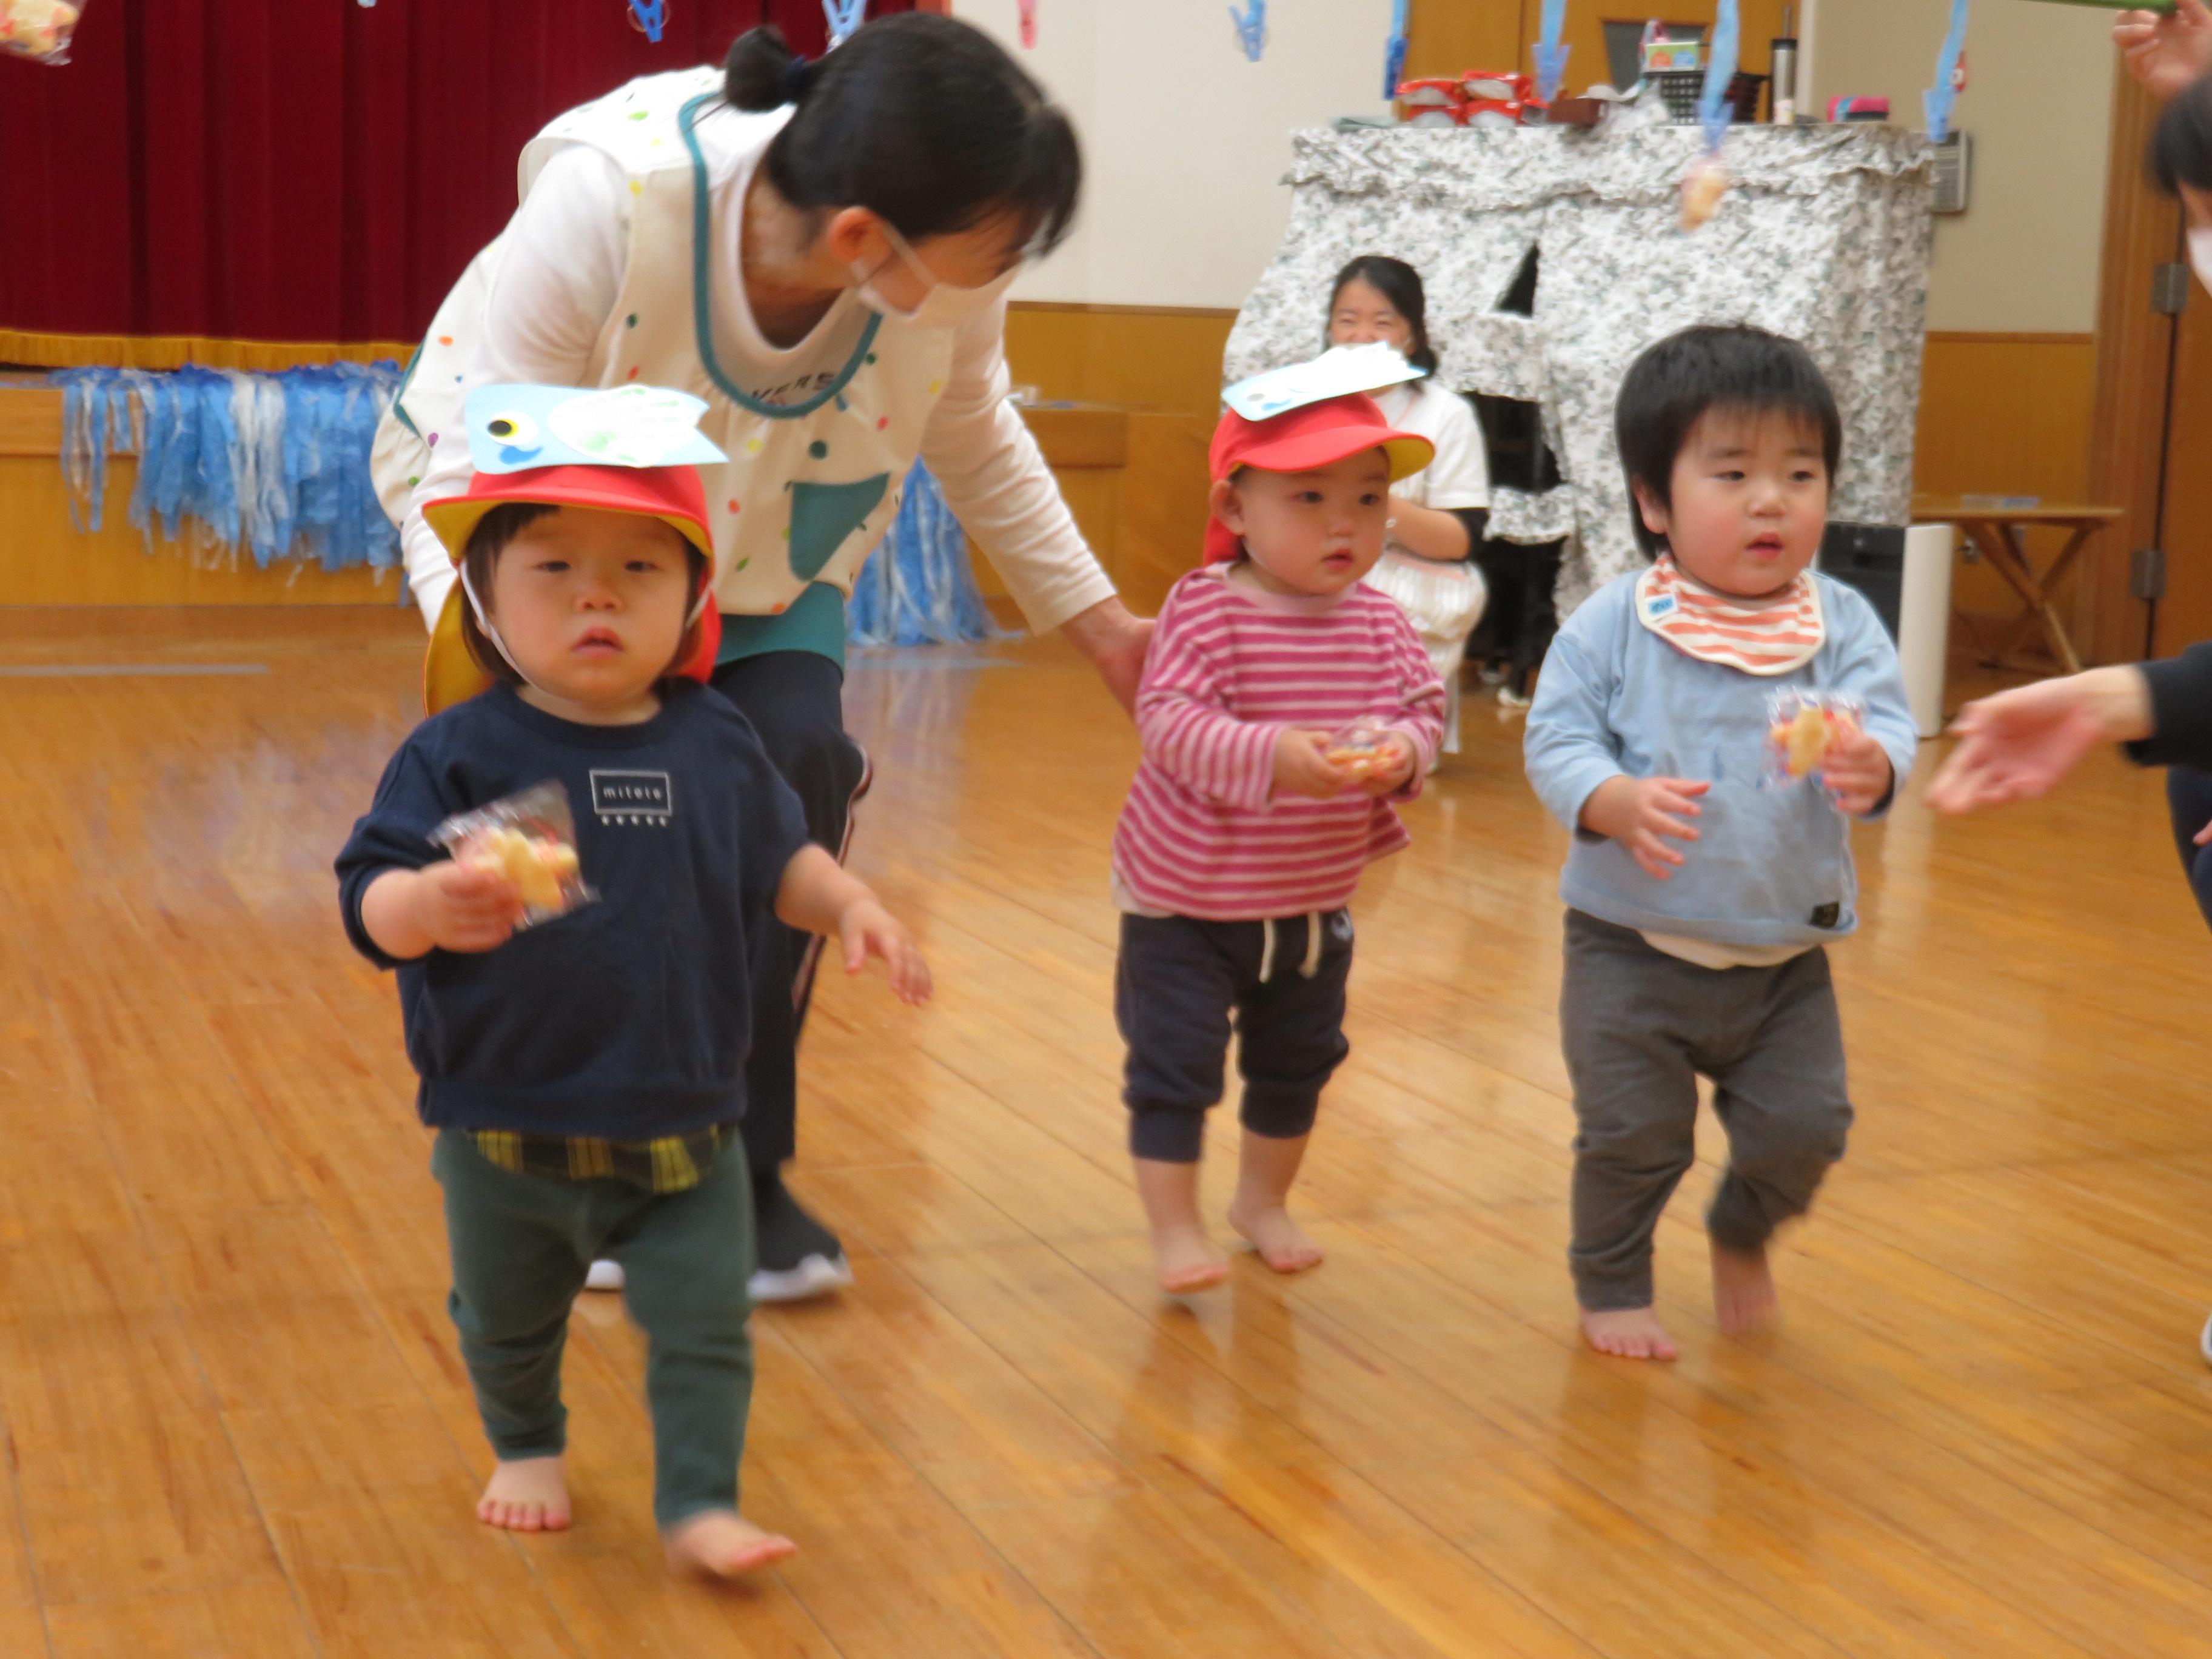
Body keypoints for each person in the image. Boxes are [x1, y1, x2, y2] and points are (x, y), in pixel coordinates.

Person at [372, 14, 1150, 1303]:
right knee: (587, 821)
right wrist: (510, 706)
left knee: (787, 774)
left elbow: (977, 435)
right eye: (996, 250)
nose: (1004, 270)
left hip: (770, 537)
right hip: (544, 541)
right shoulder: (613, 206)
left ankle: (733, 1159)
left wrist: (1106, 625)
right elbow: (479, 462)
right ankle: (561, 1151)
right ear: (861, 239)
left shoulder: (943, 261)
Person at [336, 397, 931, 1576]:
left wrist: (852, 903)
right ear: (489, 601)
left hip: (690, 1117)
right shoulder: (458, 752)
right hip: (508, 1118)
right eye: (553, 567)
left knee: (707, 1324)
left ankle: (702, 1501)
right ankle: (527, 1443)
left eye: (639, 569)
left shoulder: (714, 740)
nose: (596, 597)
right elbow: (368, 899)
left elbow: (781, 861)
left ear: (695, 600)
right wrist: (425, 910)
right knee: (508, 1319)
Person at [1523, 326, 1917, 1361]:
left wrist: (1873, 767)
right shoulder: (1615, 623)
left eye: (1800, 472)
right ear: (1654, 502)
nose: (1770, 500)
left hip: (1783, 960)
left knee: (1808, 1127)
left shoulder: (1838, 623)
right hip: (1627, 950)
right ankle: (1610, 1284)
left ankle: (1742, 1226)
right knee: (1630, 1139)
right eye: (1731, 473)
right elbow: (1553, 736)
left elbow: (1888, 727)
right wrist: (1609, 799)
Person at [1110, 392, 1445, 1294]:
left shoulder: (1380, 621)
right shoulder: (1206, 611)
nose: (1346, 523)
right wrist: (1273, 757)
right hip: (1186, 902)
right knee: (1175, 1069)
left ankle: (1261, 1202)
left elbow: (1423, 712)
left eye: (1370, 500)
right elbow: (1168, 721)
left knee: (1296, 1065)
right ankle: (1176, 1228)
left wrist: (1403, 752)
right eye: (1310, 499)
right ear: (1233, 510)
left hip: (1310, 900)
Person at [1324, 256, 1494, 751]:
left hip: (1404, 581)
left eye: (1383, 322)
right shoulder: (1303, 405)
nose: (1361, 337)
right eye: (1347, 320)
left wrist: (1376, 504)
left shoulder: (1446, 415)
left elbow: (1460, 539)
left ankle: (1399, 732)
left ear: (1412, 338)